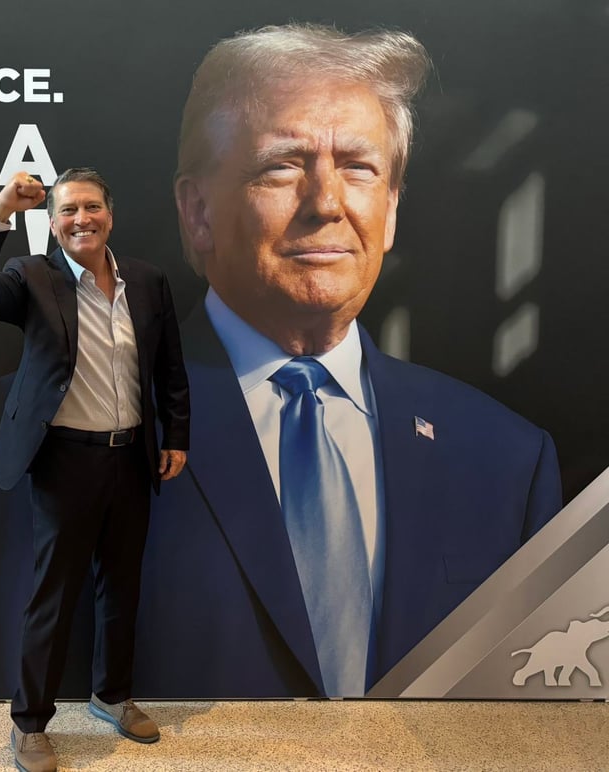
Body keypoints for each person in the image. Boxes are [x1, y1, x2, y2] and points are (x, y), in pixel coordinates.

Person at [131, 23, 562, 698]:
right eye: (282, 166)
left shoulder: (508, 458)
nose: (326, 204)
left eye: (359, 168)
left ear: (389, 210)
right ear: (198, 212)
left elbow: (537, 730)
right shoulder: (70, 431)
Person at [0, 167, 190, 772]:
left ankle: (112, 696)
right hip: (63, 461)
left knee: (122, 585)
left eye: (91, 207)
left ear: (110, 213)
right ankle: (29, 724)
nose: (81, 219)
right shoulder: (32, 277)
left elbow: (170, 369)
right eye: (67, 211)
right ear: (52, 223)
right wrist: (0, 211)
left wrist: (176, 434)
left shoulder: (148, 280)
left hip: (132, 455)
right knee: (53, 595)